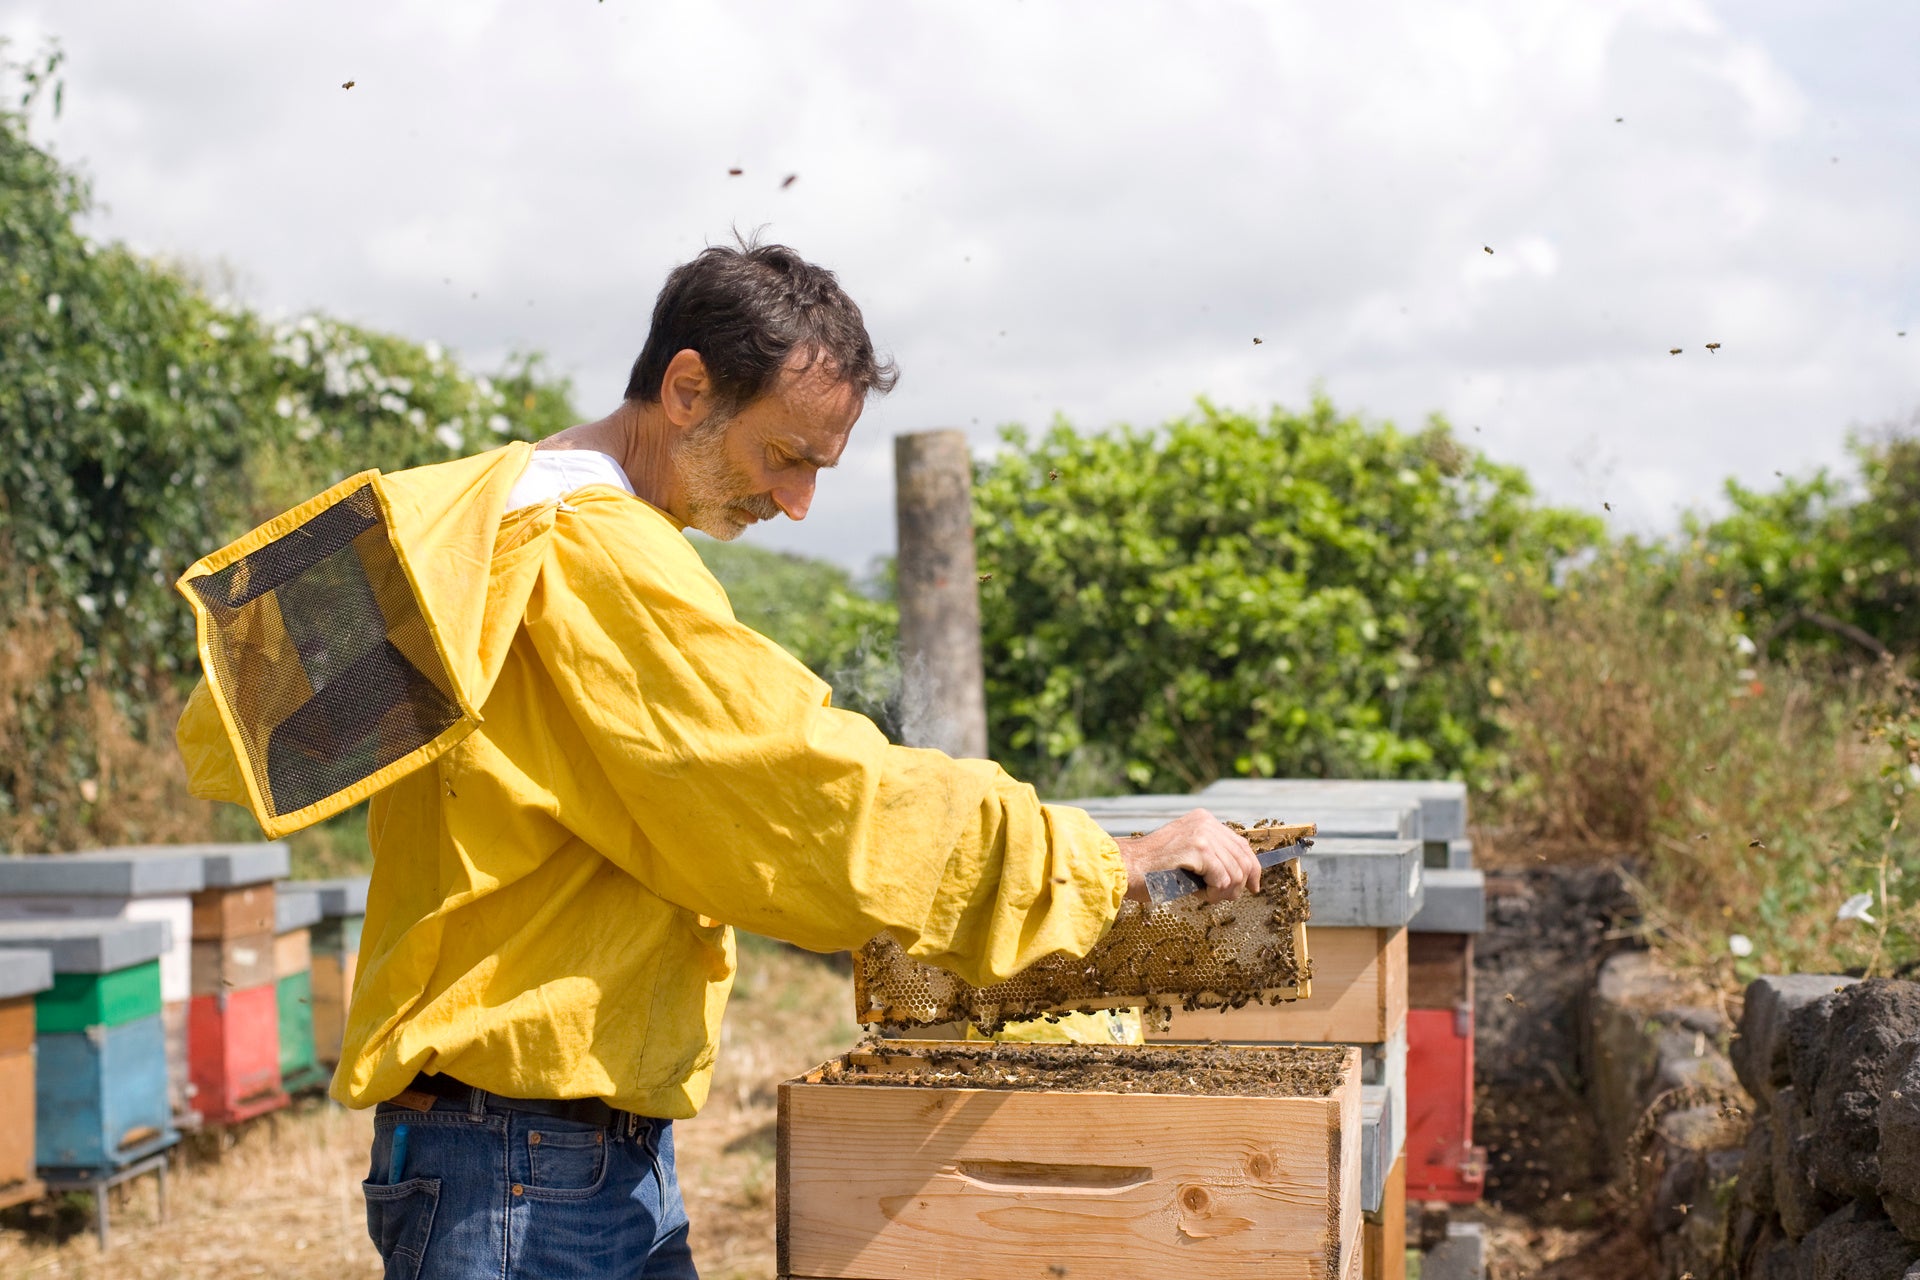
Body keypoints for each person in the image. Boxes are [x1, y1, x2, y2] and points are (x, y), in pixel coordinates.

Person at [174, 238, 1260, 1279]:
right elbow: (805, 787)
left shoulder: (509, 508)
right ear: (688, 389)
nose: (796, 501)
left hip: (572, 1151)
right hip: (522, 1169)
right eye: (784, 455)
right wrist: (1091, 866)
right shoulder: (592, 552)